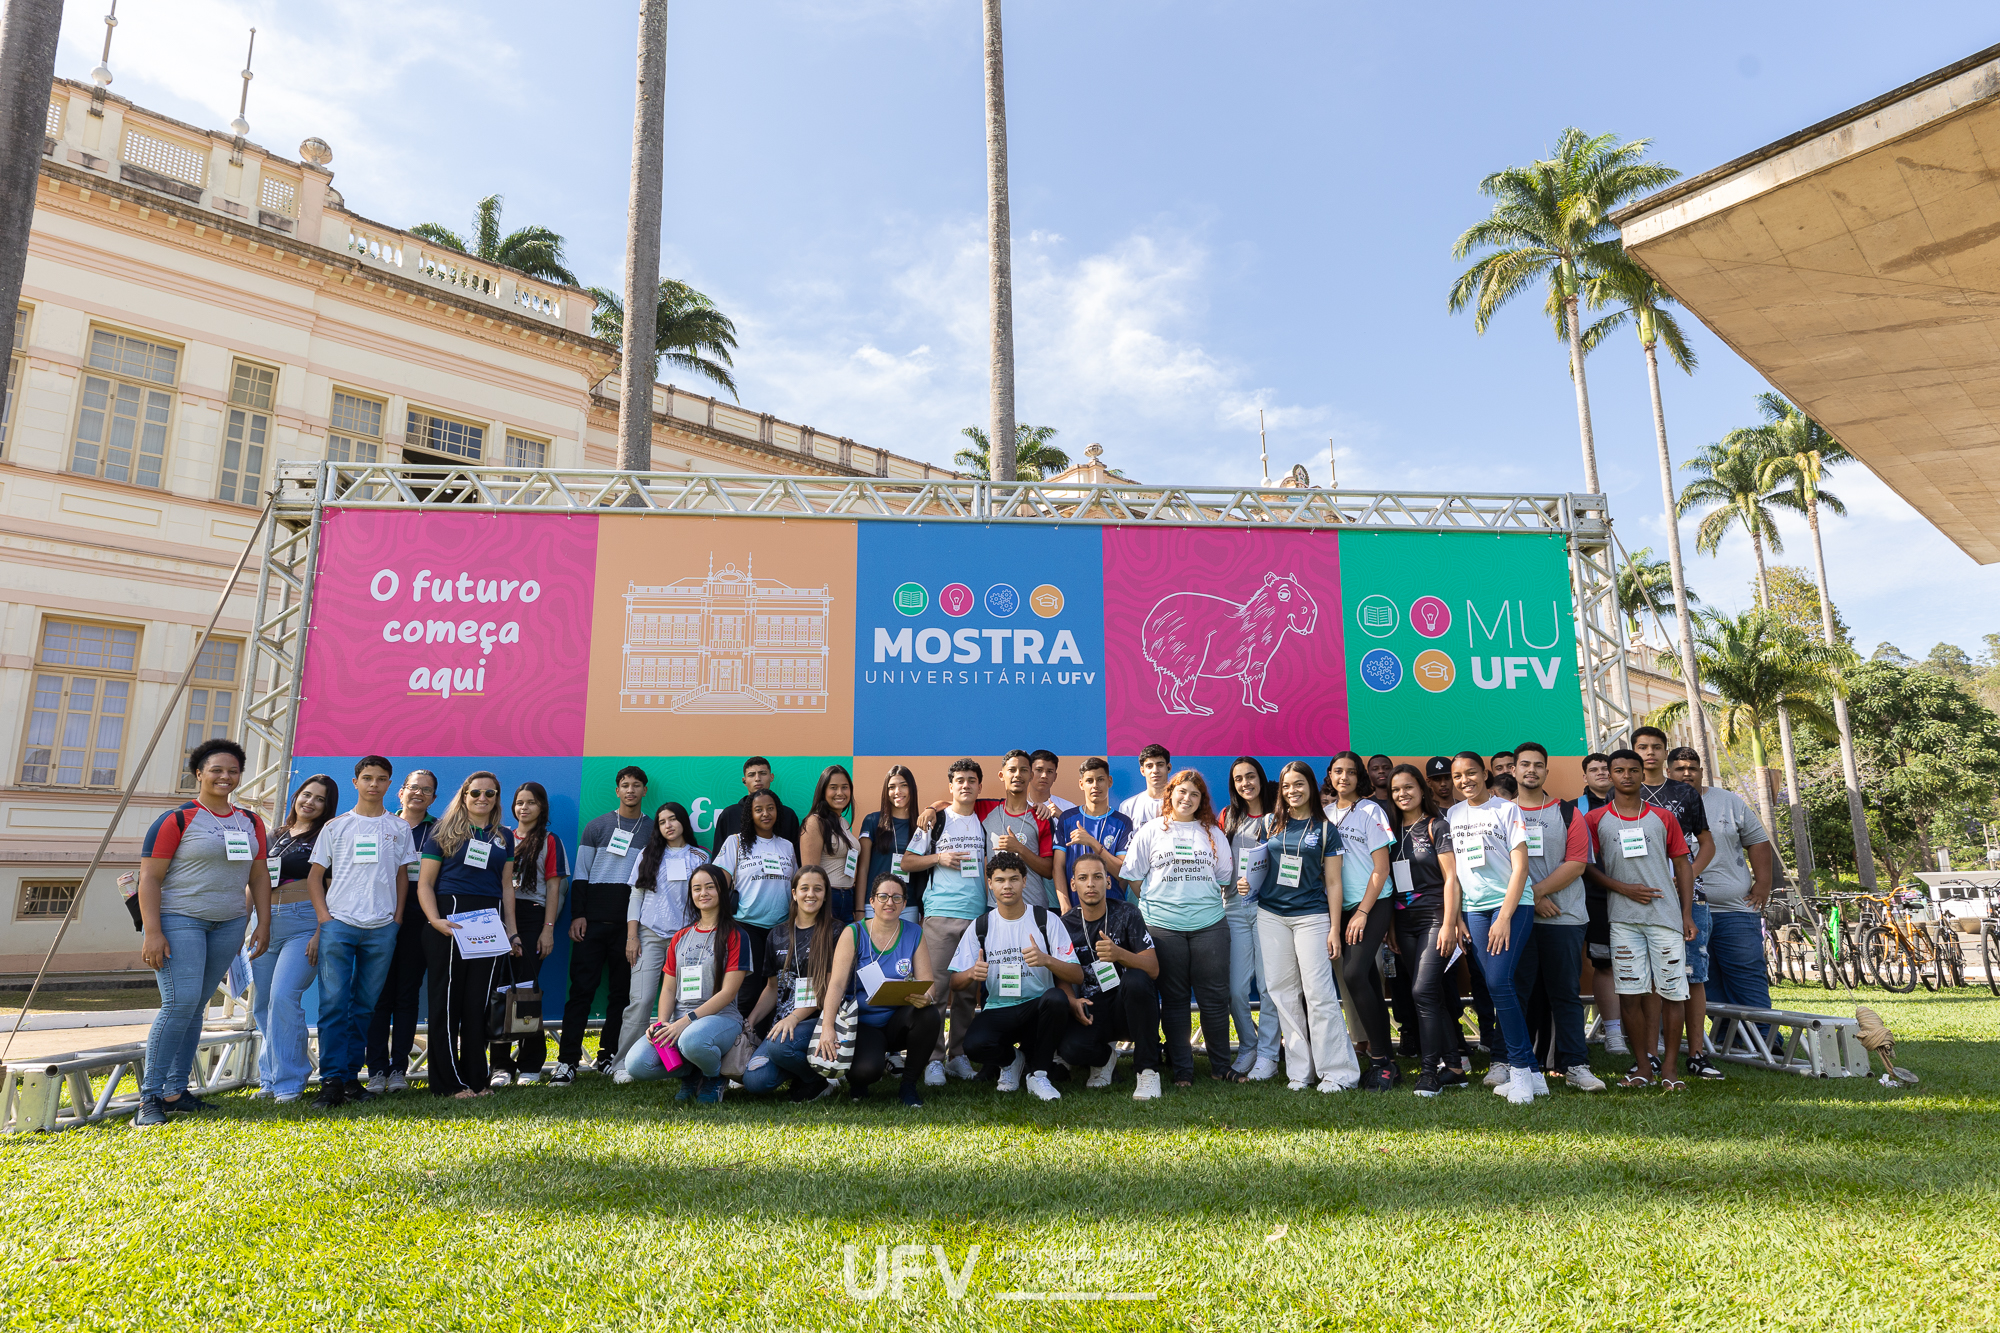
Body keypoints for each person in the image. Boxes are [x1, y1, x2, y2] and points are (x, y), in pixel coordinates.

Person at [134, 739, 273, 1128]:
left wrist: (263, 922)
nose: (225, 777)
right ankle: (149, 1097)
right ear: (199, 773)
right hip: (180, 920)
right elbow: (150, 878)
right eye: (216, 770)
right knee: (179, 1003)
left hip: (229, 923)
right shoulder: (176, 819)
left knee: (196, 1006)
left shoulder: (251, 821)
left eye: (232, 771)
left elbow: (259, 874)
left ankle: (176, 1091)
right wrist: (153, 932)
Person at [1568, 749, 1694, 1090]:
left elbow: (1682, 865)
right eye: (1619, 770)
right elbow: (1586, 867)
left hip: (1665, 918)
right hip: (1621, 920)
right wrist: (1622, 888)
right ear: (1610, 774)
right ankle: (1643, 1067)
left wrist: (1686, 913)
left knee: (1672, 993)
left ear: (1642, 774)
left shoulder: (1663, 817)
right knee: (1630, 994)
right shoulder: (1594, 819)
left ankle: (1669, 1068)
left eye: (1633, 770)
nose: (1626, 776)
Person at [305, 755, 421, 1109]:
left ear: (390, 785)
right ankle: (331, 1081)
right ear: (355, 782)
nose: (374, 784)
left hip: (382, 928)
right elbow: (314, 877)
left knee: (365, 1007)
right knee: (333, 1005)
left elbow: (403, 876)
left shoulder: (399, 828)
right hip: (339, 925)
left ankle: (351, 1079)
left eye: (381, 778)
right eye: (367, 777)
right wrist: (325, 918)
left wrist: (397, 918)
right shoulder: (336, 827)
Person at [1243, 759, 1361, 1093]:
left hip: (1311, 917)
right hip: (1270, 915)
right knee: (1282, 993)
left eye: (1299, 784)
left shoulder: (1326, 829)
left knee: (1319, 994)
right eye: (1286, 786)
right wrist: (1245, 883)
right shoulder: (1269, 823)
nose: (1292, 791)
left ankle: (1338, 1073)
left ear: (1311, 786)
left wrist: (1335, 929)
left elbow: (1334, 883)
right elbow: (1256, 867)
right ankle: (1300, 1072)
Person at [1121, 768, 1236, 1087]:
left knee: (1214, 999)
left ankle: (1220, 1065)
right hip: (1162, 927)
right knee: (1174, 999)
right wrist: (1159, 902)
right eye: (1181, 791)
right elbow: (1132, 875)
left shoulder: (1212, 832)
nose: (1187, 798)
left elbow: (1224, 878)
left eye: (1195, 794)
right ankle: (1183, 1069)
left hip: (1209, 925)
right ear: (1170, 793)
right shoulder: (1151, 830)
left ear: (1202, 801)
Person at [950, 851, 1083, 1101]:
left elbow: (1076, 974)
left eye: (1013, 879)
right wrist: (971, 973)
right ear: (990, 884)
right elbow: (955, 983)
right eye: (1000, 880)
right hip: (999, 1009)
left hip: (1038, 1011)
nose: (1007, 886)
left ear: (1024, 881)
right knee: (974, 1045)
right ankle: (1012, 1061)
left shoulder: (1046, 920)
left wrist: (1047, 960)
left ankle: (1039, 1075)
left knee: (1055, 998)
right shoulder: (980, 926)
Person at [1445, 751, 1538, 1106]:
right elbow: (1453, 875)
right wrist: (1456, 918)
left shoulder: (1506, 809)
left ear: (1485, 774)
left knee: (1501, 983)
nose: (1464, 780)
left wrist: (1503, 916)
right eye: (1457, 776)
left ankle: (1518, 1074)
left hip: (1512, 907)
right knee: (1495, 984)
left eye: (1470, 773)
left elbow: (1521, 868)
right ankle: (1532, 1072)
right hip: (1474, 911)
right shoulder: (1452, 815)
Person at [415, 772, 516, 1099]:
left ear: (497, 797)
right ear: (464, 795)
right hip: (449, 921)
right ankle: (449, 1083)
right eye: (475, 793)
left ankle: (476, 1080)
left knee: (478, 1005)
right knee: (446, 1004)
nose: (482, 798)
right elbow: (425, 884)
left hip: (489, 924)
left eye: (490, 793)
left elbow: (506, 887)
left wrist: (511, 932)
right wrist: (435, 920)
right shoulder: (441, 831)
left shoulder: (504, 837)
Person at [1509, 743, 1603, 1092]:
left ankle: (1575, 1064)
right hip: (1517, 919)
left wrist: (1534, 895)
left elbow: (1576, 863)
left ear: (1547, 772)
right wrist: (1532, 902)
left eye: (1537, 765)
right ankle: (1516, 1064)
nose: (1530, 770)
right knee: (1516, 992)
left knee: (1565, 993)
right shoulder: (1502, 814)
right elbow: (1498, 867)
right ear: (1513, 771)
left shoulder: (1567, 813)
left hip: (1564, 917)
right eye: (1524, 765)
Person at [1671, 746, 1773, 1063]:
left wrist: (1763, 883)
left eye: (1693, 767)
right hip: (1685, 912)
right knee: (1706, 979)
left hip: (1733, 908)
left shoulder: (1728, 801)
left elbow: (1757, 840)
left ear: (1702, 771)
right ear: (1668, 772)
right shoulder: (1660, 803)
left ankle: (1767, 1041)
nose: (1687, 772)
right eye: (1679, 768)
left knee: (1746, 974)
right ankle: (1729, 1039)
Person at [621, 864, 751, 1105]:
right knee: (637, 1064)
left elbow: (728, 992)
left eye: (710, 887)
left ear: (722, 891)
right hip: (680, 1022)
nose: (703, 893)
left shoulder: (736, 935)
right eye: (697, 888)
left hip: (721, 1019)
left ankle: (714, 1076)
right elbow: (669, 988)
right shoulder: (680, 937)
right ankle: (692, 1073)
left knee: (692, 1040)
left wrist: (685, 1021)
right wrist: (661, 1024)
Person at [1632, 726, 1719, 1079]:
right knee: (1652, 978)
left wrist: (1688, 876)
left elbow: (1707, 843)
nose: (1649, 753)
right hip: (1640, 898)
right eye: (1642, 747)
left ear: (1664, 754)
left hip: (1688, 898)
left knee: (1693, 976)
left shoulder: (1684, 792)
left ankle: (1696, 1054)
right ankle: (1651, 1055)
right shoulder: (1623, 790)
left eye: (1656, 747)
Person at [556, 766, 648, 1085]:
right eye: (625, 785)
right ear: (617, 790)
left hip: (630, 927)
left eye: (636, 785)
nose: (631, 790)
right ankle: (566, 1061)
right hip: (591, 924)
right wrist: (578, 915)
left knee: (620, 995)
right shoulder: (597, 826)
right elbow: (581, 874)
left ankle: (608, 1056)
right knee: (581, 991)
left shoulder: (653, 830)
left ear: (644, 791)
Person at [249, 773, 337, 1104]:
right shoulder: (273, 836)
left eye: (319, 799)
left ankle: (290, 1081)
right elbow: (253, 883)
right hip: (265, 923)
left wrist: (320, 931)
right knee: (263, 1003)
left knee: (285, 997)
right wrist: (246, 925)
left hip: (304, 922)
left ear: (327, 807)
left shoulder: (327, 836)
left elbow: (334, 888)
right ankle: (270, 1078)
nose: (310, 802)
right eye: (306, 795)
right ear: (296, 796)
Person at [819, 875, 941, 1106]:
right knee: (865, 1072)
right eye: (883, 896)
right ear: (872, 901)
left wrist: (926, 997)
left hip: (897, 1019)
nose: (890, 903)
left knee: (929, 1015)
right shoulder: (853, 933)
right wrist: (827, 1026)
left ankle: (908, 1085)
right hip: (863, 1023)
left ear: (905, 904)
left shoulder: (914, 932)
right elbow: (835, 983)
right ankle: (860, 1078)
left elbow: (929, 984)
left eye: (897, 897)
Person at [1050, 851, 1162, 1098]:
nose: (1090, 884)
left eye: (1097, 877)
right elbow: (1061, 975)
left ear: (1108, 882)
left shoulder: (1128, 913)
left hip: (1126, 1006)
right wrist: (1072, 1000)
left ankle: (1147, 1072)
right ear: (1073, 884)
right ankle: (1104, 1057)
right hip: (1091, 1007)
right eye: (1083, 878)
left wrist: (1119, 953)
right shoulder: (1065, 924)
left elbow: (1153, 969)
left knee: (1137, 979)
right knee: (1070, 1049)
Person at [1383, 763, 1463, 1095]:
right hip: (1403, 922)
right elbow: (1386, 880)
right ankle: (1455, 1067)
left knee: (1423, 991)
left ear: (1421, 790)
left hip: (1434, 918)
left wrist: (1448, 925)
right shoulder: (1387, 830)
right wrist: (1389, 927)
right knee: (1432, 995)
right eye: (1396, 789)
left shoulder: (1437, 826)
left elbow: (1451, 879)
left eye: (1408, 787)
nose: (1403, 794)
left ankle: (1430, 1072)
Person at [1323, 751, 1398, 1090]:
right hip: (1340, 908)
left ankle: (1382, 1059)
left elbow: (1381, 869)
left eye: (1351, 772)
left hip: (1374, 903)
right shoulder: (1322, 815)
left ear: (1359, 778)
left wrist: (1364, 913)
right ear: (1330, 775)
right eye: (1338, 772)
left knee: (1353, 975)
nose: (1344, 778)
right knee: (1362, 978)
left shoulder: (1371, 810)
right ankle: (1383, 1059)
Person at [615, 802, 704, 1077]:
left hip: (688, 939)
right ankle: (622, 1064)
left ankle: (684, 1062)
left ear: (683, 823)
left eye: (673, 819)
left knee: (688, 1001)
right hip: (649, 936)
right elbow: (636, 897)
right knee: (640, 1001)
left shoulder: (700, 857)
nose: (668, 825)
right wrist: (632, 936)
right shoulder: (648, 854)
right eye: (662, 821)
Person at [918, 758, 991, 1086]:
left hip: (976, 918)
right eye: (959, 780)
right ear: (950, 787)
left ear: (979, 786)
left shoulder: (986, 820)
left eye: (971, 780)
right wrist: (938, 858)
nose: (965, 785)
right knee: (936, 990)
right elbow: (907, 861)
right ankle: (932, 1059)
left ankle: (957, 1056)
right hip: (940, 916)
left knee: (967, 993)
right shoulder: (936, 820)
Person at [489, 781, 567, 1087]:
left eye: (531, 802)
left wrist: (548, 930)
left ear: (541, 807)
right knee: (499, 991)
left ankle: (531, 1063)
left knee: (525, 991)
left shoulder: (550, 840)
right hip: (499, 918)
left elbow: (553, 887)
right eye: (520, 802)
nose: (524, 807)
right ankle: (500, 1066)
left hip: (534, 917)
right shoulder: (499, 838)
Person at [365, 768, 437, 1093]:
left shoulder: (439, 831)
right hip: (378, 918)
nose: (418, 794)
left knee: (406, 996)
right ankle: (376, 1071)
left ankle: (398, 1072)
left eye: (426, 790)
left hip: (418, 920)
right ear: (400, 792)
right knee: (378, 996)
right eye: (413, 788)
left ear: (434, 798)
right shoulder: (381, 825)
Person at [741, 866, 838, 1100]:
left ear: (825, 894)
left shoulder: (836, 931)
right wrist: (751, 1021)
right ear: (794, 893)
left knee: (779, 1047)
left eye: (818, 889)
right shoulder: (777, 934)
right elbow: (772, 988)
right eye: (804, 888)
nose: (810, 894)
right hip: (783, 1023)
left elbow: (827, 989)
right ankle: (802, 1070)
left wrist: (793, 1018)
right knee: (755, 1081)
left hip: (816, 1020)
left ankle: (818, 1080)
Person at [1219, 757, 1282, 1080]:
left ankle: (1269, 1055)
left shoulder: (1278, 817)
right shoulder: (1228, 816)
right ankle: (1248, 1047)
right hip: (1233, 908)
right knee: (1236, 988)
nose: (1246, 783)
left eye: (1251, 776)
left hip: (1267, 908)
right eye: (1239, 779)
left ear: (1261, 778)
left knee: (1270, 985)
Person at [712, 788, 800, 1010]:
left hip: (781, 928)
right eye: (758, 809)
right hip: (746, 925)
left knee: (777, 989)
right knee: (748, 990)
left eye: (770, 808)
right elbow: (719, 883)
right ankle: (743, 1040)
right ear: (749, 814)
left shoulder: (787, 846)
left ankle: (767, 1040)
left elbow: (795, 886)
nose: (765, 814)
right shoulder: (736, 842)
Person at [1570, 751, 1623, 1053]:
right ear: (1585, 776)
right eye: (1595, 769)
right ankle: (1613, 1032)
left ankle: (1645, 1030)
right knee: (1604, 964)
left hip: (1635, 895)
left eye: (1607, 769)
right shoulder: (1574, 809)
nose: (1602, 773)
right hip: (1592, 897)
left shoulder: (1635, 805)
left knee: (1639, 964)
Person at [976, 750, 1058, 909]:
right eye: (1012, 770)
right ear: (1002, 775)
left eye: (1024, 770)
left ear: (1031, 776)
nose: (1018, 774)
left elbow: (1049, 870)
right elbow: (956, 805)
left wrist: (1019, 849)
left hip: (1033, 907)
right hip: (996, 908)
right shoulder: (986, 808)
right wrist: (931, 808)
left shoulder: (1041, 816)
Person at [1052, 757, 1135, 909]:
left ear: (1109, 781)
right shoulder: (1067, 819)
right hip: (1076, 910)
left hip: (1113, 910)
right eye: (1089, 781)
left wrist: (1092, 842)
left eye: (1100, 779)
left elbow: (1122, 873)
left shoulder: (1123, 822)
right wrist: (1065, 908)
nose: (1095, 785)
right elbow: (1058, 867)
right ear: (1081, 784)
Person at [857, 765, 928, 924]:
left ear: (912, 789)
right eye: (892, 787)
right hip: (875, 903)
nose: (898, 791)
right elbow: (863, 868)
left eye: (903, 785)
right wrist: (859, 909)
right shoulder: (872, 821)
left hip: (908, 906)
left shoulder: (921, 825)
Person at [799, 764, 860, 923]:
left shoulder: (844, 823)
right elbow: (809, 874)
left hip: (847, 898)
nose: (840, 793)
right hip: (827, 899)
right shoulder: (815, 822)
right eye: (833, 787)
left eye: (844, 787)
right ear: (823, 791)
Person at [708, 755, 803, 853]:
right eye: (751, 775)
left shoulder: (787, 815)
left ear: (771, 777)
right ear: (744, 781)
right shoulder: (729, 814)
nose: (757, 778)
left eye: (763, 773)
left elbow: (795, 857)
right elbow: (718, 859)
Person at [1118, 743, 1173, 824]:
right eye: (1149, 766)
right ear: (1143, 771)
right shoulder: (1128, 807)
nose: (1155, 770)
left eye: (1160, 765)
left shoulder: (1181, 804)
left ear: (1168, 768)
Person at [1027, 750, 1078, 815]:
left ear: (1055, 777)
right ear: (1029, 773)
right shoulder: (1015, 808)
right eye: (1039, 770)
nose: (1044, 776)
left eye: (1049, 771)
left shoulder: (1069, 808)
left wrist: (1062, 818)